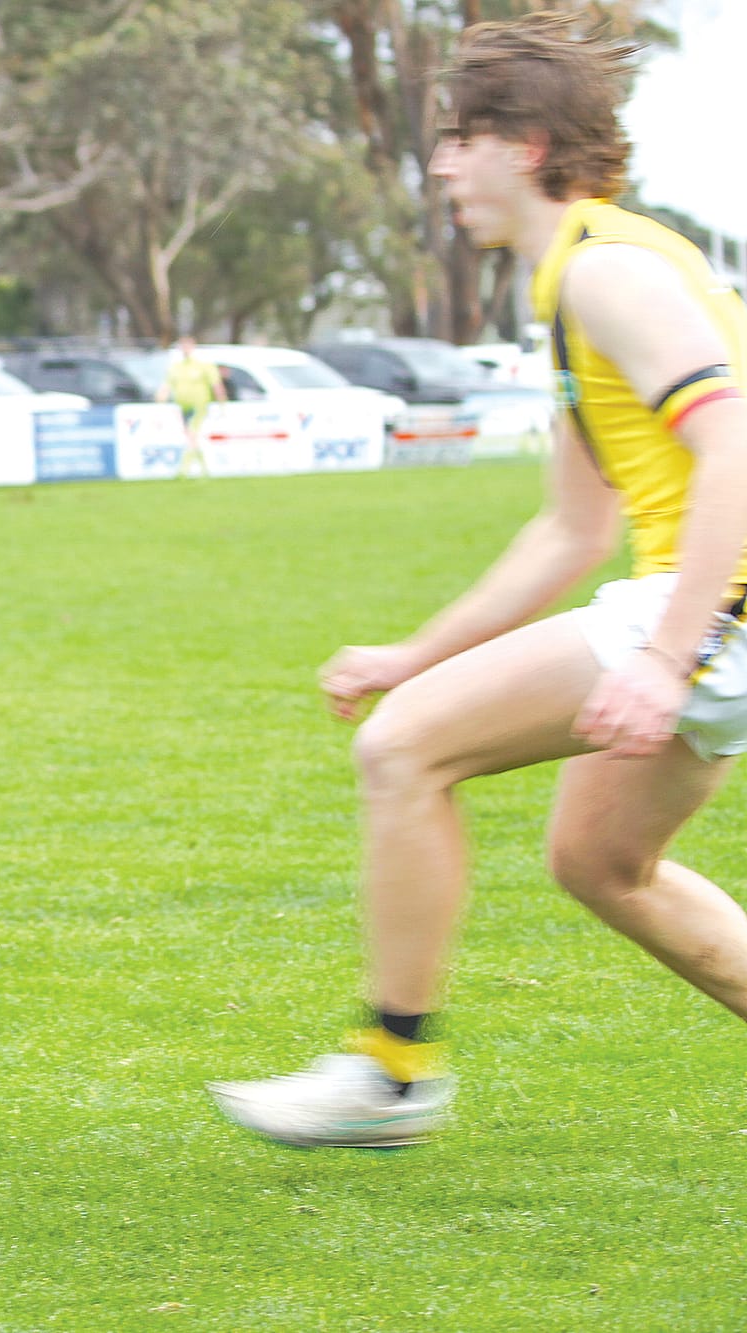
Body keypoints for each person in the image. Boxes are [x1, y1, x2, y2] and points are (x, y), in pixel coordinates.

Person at [209, 13, 747, 1149]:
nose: (442, 164)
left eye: (460, 139)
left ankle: (392, 1069)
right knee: (598, 860)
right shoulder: (577, 274)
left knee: (400, 749)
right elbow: (568, 528)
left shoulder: (603, 272)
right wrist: (414, 654)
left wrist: (665, 655)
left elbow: (734, 445)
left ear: (529, 145)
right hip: (706, 602)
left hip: (717, 605)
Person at [154, 335, 226, 478]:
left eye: (187, 346)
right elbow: (167, 386)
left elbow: (216, 384)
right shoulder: (176, 367)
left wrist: (222, 403)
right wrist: (159, 400)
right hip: (182, 407)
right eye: (182, 346)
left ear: (193, 347)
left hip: (199, 406)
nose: (185, 349)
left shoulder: (203, 365)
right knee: (191, 437)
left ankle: (183, 470)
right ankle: (204, 469)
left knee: (192, 434)